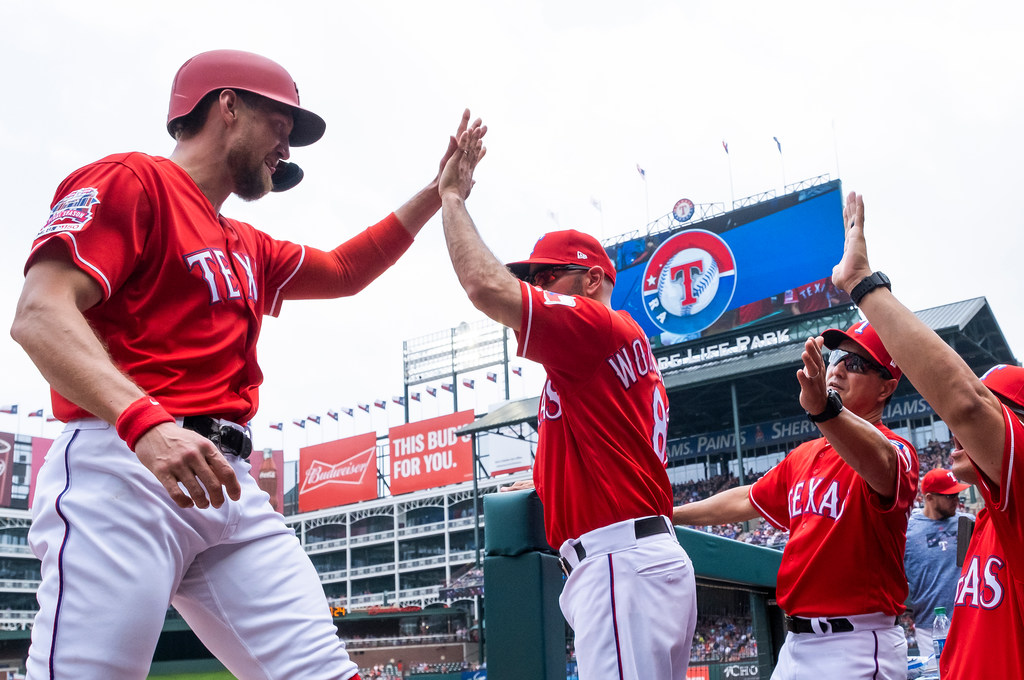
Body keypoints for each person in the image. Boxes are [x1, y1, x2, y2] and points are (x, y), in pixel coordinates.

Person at [10, 49, 472, 679]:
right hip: (122, 465)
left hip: (224, 480)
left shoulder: (244, 242)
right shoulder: (131, 179)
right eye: (280, 123)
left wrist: (435, 195)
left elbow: (343, 271)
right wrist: (144, 422)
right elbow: (39, 314)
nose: (287, 145)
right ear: (226, 104)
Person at [438, 121, 697, 679]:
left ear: (589, 282)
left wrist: (452, 197)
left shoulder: (595, 326)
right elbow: (604, 449)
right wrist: (545, 481)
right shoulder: (613, 350)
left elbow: (484, 286)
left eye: (545, 278)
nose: (534, 289)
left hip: (617, 565)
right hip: (636, 561)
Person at [831, 191, 1024, 680]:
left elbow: (964, 403)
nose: (959, 431)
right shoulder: (986, 521)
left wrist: (863, 285)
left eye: (992, 412)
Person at [673, 322, 918, 680]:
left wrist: (824, 410)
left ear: (886, 388)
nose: (837, 369)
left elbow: (880, 465)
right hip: (795, 644)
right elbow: (747, 499)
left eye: (856, 364)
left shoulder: (897, 450)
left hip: (857, 644)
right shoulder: (806, 453)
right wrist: (671, 513)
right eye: (836, 358)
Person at [903, 468, 973, 659]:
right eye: (949, 496)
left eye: (957, 494)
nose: (956, 500)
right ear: (929, 498)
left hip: (970, 621)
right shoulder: (907, 529)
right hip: (930, 626)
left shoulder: (968, 523)